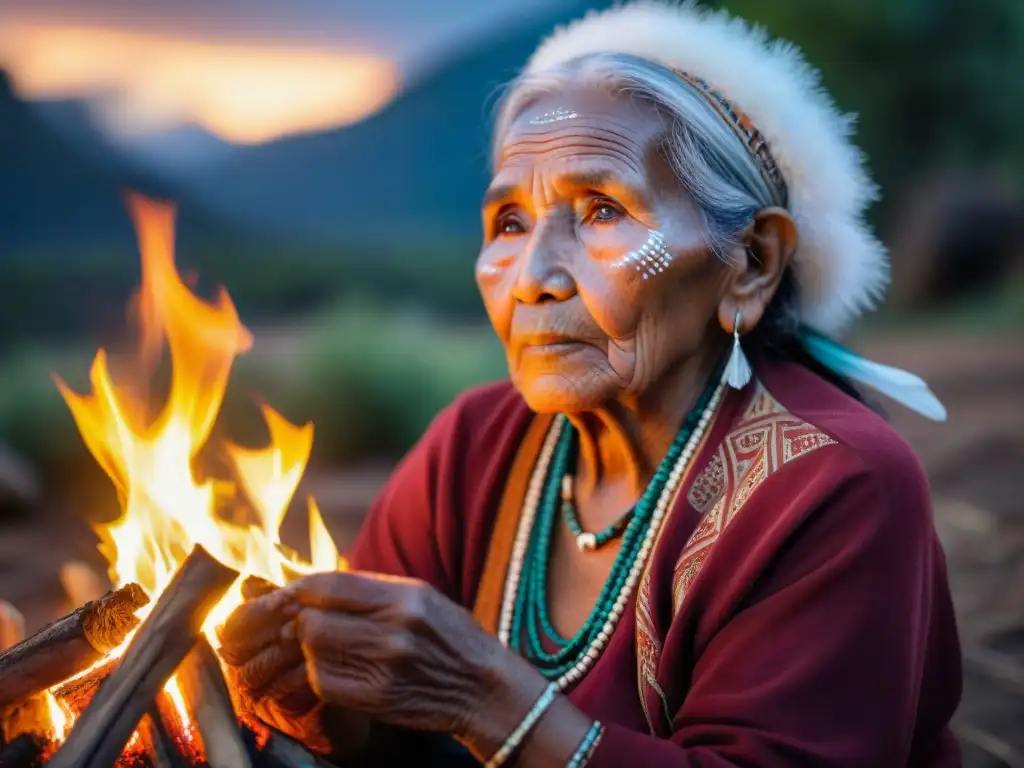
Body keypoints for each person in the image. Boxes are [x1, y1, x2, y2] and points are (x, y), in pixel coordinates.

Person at [218, 3, 963, 765]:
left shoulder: (833, 486)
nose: (533, 277)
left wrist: (485, 697)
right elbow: (385, 729)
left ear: (752, 263)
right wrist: (322, 704)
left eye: (603, 210)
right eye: (509, 222)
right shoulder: (474, 448)